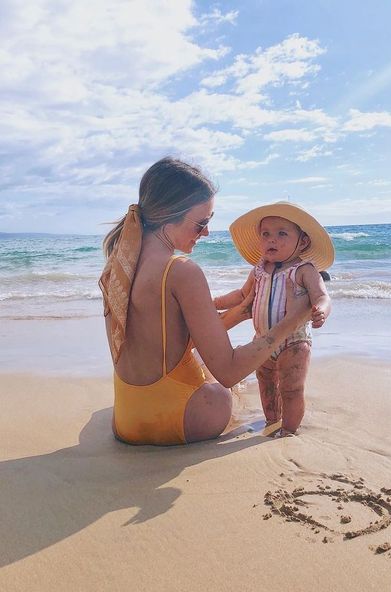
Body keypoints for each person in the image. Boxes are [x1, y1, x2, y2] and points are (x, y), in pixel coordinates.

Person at [99, 158, 314, 446]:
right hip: (178, 422)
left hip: (126, 421)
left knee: (201, 360)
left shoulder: (120, 263)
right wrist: (294, 318)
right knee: (221, 389)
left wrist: (240, 312)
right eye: (202, 223)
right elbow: (229, 370)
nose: (207, 233)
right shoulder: (181, 271)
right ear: (170, 214)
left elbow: (166, 340)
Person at [213, 202, 334, 437]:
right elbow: (240, 296)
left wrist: (321, 309)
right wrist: (215, 303)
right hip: (262, 340)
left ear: (303, 241)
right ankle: (272, 422)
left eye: (282, 234)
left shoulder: (304, 270)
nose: (272, 240)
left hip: (294, 342)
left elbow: (322, 295)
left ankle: (288, 430)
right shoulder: (259, 270)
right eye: (266, 234)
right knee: (266, 383)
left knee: (291, 388)